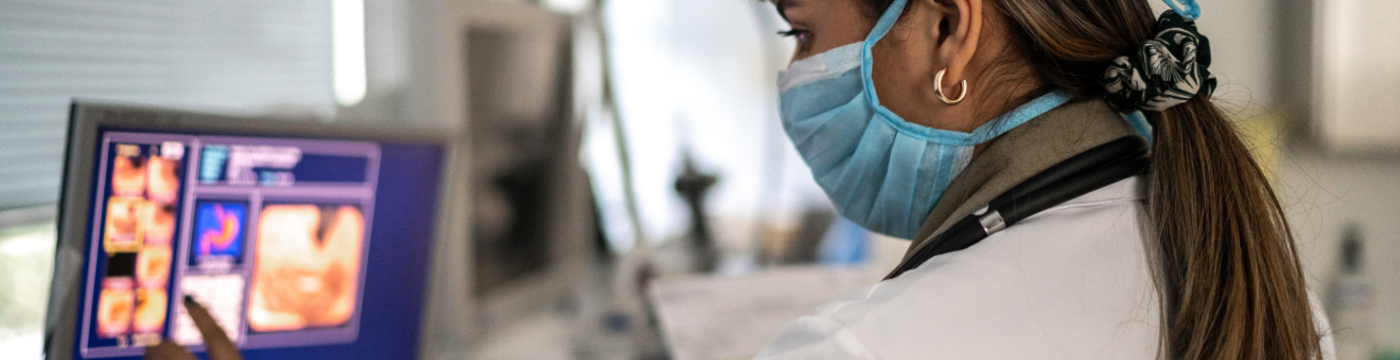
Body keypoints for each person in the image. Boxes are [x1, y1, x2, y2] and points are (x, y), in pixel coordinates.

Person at [757, 0, 1335, 359]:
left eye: (801, 34)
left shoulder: (851, 349)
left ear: (947, 30)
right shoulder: (1271, 297)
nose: (795, 75)